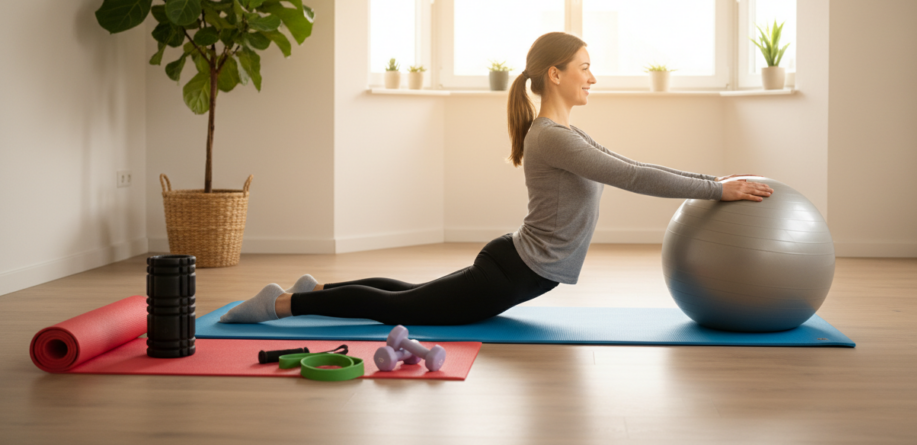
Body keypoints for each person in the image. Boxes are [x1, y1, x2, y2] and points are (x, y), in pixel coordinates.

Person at [220, 32, 773, 325]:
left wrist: (714, 181)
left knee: (413, 296)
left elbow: (631, 165)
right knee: (402, 309)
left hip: (514, 265)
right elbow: (632, 175)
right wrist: (715, 187)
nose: (593, 77)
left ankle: (314, 290)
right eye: (585, 67)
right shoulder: (553, 137)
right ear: (555, 74)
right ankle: (282, 305)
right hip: (513, 272)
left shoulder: (565, 133)